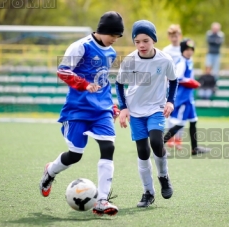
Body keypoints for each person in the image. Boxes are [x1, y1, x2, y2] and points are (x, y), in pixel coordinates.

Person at [39, 11, 124, 216]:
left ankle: (102, 200)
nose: (114, 39)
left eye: (118, 36)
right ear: (102, 30)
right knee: (75, 155)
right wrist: (84, 85)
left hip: (101, 111)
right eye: (112, 34)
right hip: (77, 110)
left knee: (108, 147)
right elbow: (63, 71)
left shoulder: (111, 52)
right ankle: (50, 171)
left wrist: (112, 105)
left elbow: (103, 81)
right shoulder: (81, 46)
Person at [115, 20, 178, 208]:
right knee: (143, 152)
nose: (141, 45)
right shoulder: (129, 60)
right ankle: (148, 192)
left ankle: (163, 176)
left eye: (146, 40)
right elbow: (119, 84)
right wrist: (123, 108)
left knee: (157, 143)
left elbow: (174, 81)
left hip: (156, 108)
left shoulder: (165, 59)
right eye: (137, 41)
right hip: (135, 111)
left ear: (154, 40)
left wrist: (170, 101)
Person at [164, 39, 210, 155]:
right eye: (187, 50)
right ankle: (159, 143)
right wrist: (191, 82)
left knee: (193, 121)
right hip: (183, 97)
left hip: (189, 97)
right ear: (182, 50)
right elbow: (177, 78)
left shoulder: (189, 61)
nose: (189, 52)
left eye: (191, 50)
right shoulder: (181, 62)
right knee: (180, 123)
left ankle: (195, 148)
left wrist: (192, 81)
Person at [163, 24, 183, 150]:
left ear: (179, 36)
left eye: (176, 36)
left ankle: (178, 139)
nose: (174, 38)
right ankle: (170, 138)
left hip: (182, 86)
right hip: (169, 85)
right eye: (172, 36)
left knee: (181, 113)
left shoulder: (184, 49)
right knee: (169, 111)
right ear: (169, 37)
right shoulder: (166, 51)